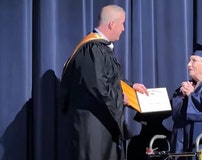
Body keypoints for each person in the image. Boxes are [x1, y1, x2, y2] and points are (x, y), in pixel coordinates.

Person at [58, 4, 148, 160]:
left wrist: (130, 86)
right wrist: (121, 97)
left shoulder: (99, 48)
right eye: (122, 24)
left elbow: (108, 77)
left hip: (101, 125)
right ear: (112, 24)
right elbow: (98, 87)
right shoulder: (92, 49)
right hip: (93, 128)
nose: (123, 29)